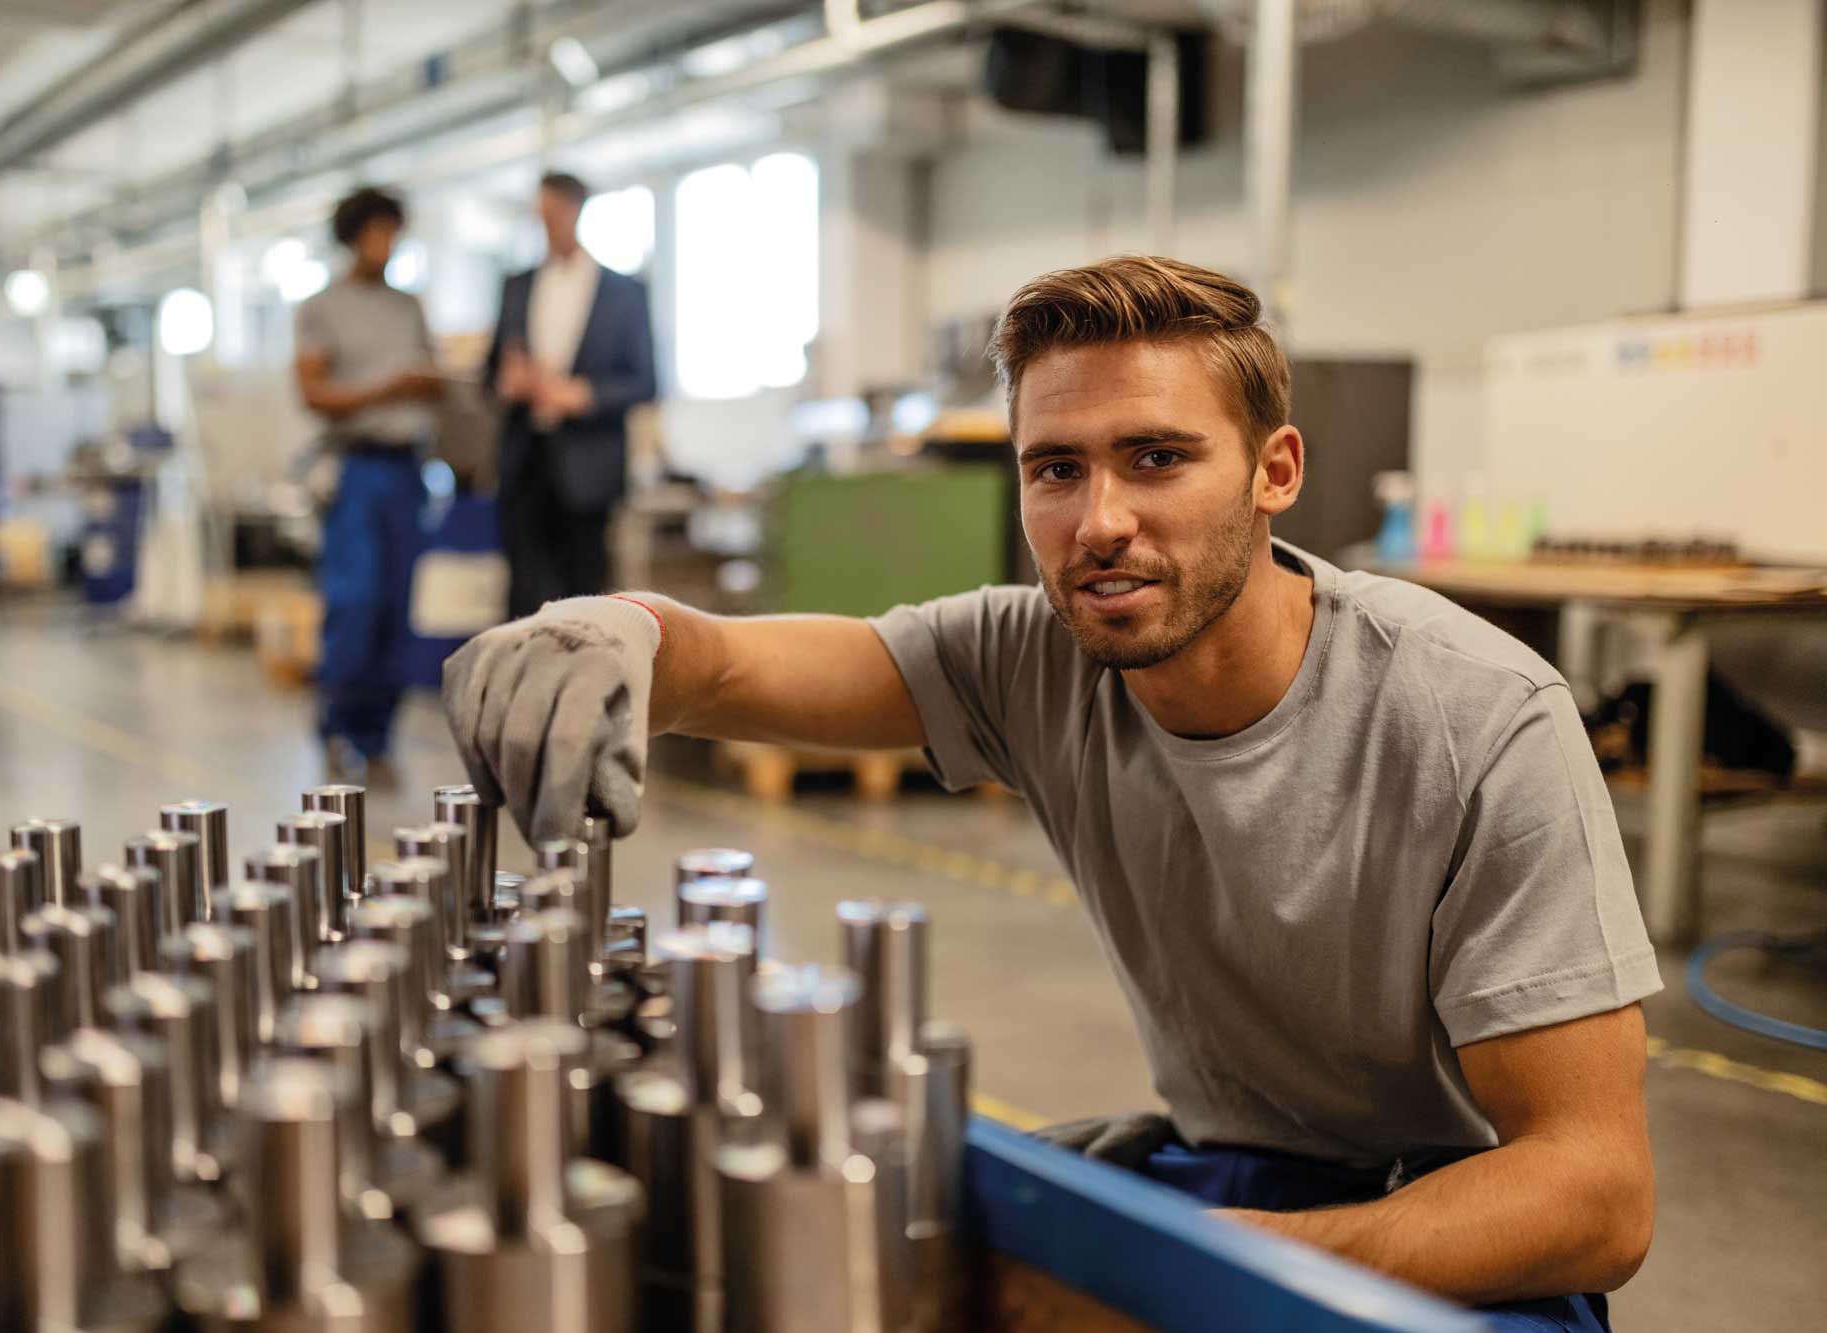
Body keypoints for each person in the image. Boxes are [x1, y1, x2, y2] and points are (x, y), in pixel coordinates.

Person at [442, 256, 1658, 1331]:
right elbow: (729, 661)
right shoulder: (1032, 657)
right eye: (1054, 470)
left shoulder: (1476, 719)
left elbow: (1590, 1196)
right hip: (1223, 1168)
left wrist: (1191, 1274)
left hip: (1458, 1233)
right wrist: (611, 631)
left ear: (1273, 470)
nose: (1099, 522)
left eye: (1156, 459)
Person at [293, 185, 444, 783]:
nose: (388, 245)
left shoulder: (409, 308)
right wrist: (385, 389)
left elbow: (431, 379)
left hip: (409, 469)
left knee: (396, 608)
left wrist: (429, 385)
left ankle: (379, 735)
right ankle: (337, 729)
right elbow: (313, 393)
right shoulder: (322, 309)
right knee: (353, 602)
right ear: (354, 235)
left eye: (395, 233)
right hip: (357, 468)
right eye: (379, 232)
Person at [483, 171, 657, 621]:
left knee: (583, 595)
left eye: (555, 213)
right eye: (540, 215)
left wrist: (582, 395)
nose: (548, 223)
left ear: (577, 210)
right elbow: (489, 374)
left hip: (588, 463)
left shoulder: (624, 293)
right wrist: (507, 382)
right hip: (526, 460)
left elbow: (646, 380)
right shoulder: (516, 286)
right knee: (523, 593)